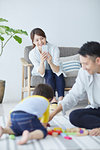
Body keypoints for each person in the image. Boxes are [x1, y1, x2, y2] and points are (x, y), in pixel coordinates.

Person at [49, 41, 100, 136]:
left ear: (98, 61)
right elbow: (73, 95)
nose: (83, 68)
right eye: (82, 64)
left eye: (86, 64)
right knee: (74, 116)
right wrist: (52, 114)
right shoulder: (83, 72)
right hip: (97, 110)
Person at [29, 28, 65, 104]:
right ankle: (53, 98)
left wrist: (50, 62)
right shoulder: (32, 53)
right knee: (48, 74)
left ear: (45, 38)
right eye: (37, 40)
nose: (40, 42)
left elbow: (57, 70)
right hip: (41, 70)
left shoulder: (54, 48)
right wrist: (42, 62)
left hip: (55, 69)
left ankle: (61, 98)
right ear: (33, 42)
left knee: (59, 74)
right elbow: (41, 72)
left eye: (42, 38)